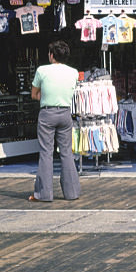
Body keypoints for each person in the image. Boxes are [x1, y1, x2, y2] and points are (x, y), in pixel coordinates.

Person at [29, 40, 80, 202]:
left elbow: (34, 94)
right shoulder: (73, 72)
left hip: (47, 113)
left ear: (51, 55)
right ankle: (72, 193)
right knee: (66, 153)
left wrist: (46, 97)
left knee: (46, 153)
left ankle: (44, 194)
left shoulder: (42, 70)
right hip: (65, 114)